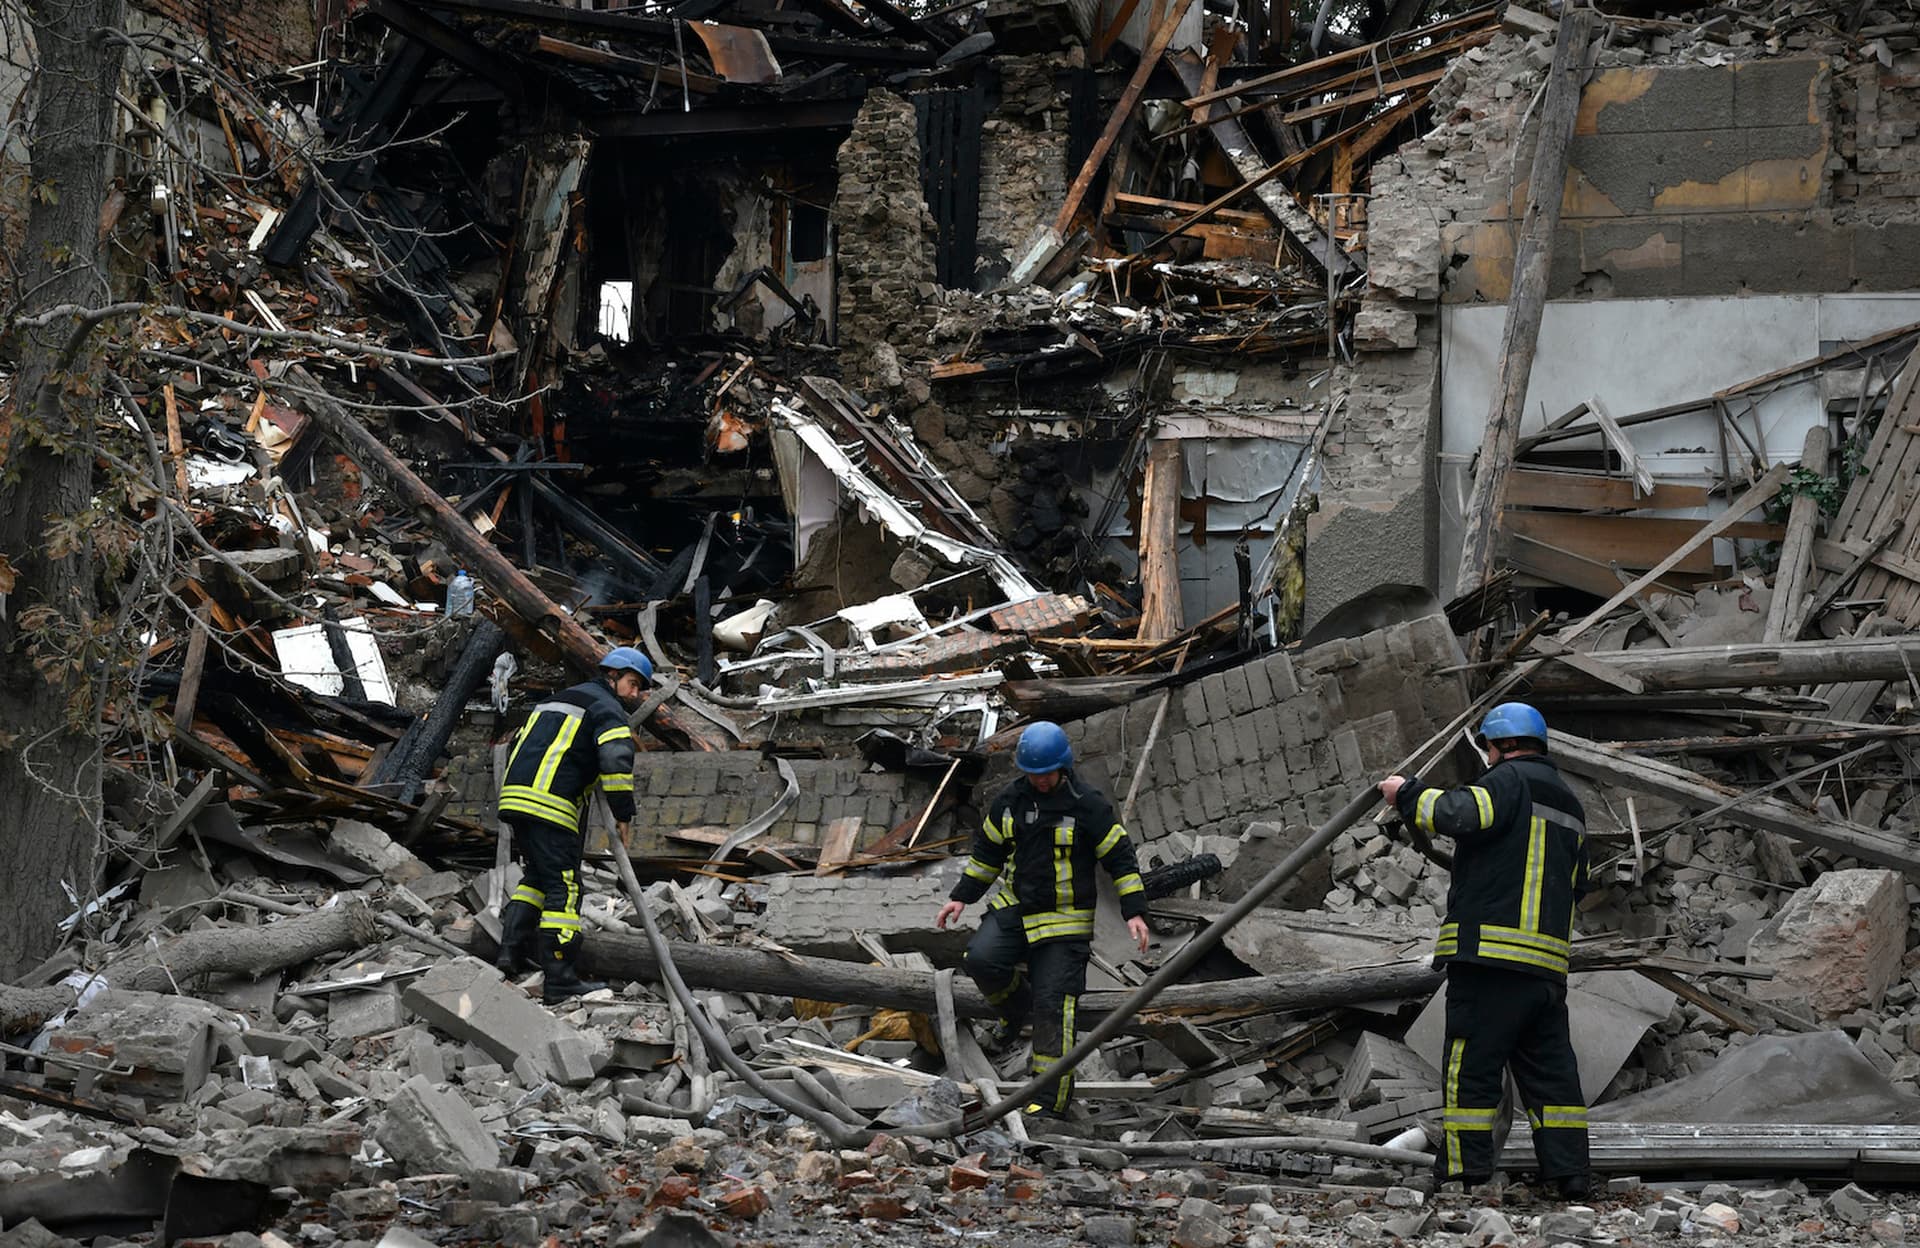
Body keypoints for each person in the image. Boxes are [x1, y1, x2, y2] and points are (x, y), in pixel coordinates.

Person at [1378, 701, 1592, 1198]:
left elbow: (1456, 814)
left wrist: (1405, 792)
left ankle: (1463, 1173)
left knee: (1471, 1069)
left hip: (1490, 962)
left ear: (1499, 747)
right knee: (1552, 1080)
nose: (1488, 758)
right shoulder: (1571, 805)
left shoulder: (1507, 781)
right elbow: (1578, 883)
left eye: (1489, 750)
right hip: (1545, 972)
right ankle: (1571, 1176)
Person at [935, 721, 1151, 1120]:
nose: (1041, 782)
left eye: (1047, 774)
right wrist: (960, 898)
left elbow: (1120, 859)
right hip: (1016, 907)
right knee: (981, 959)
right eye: (1033, 775)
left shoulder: (1088, 805)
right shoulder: (1010, 802)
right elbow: (987, 855)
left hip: (1065, 921)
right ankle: (1015, 1012)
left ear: (1063, 766)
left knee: (1055, 1006)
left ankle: (1048, 1100)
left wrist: (1134, 910)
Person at [495, 647, 650, 1005]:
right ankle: (560, 978)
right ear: (612, 676)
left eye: (640, 688)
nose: (635, 694)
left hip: (515, 799)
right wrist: (623, 813)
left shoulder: (557, 701)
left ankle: (509, 954)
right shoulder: (606, 708)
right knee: (565, 889)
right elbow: (615, 760)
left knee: (537, 879)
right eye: (632, 684)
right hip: (551, 805)